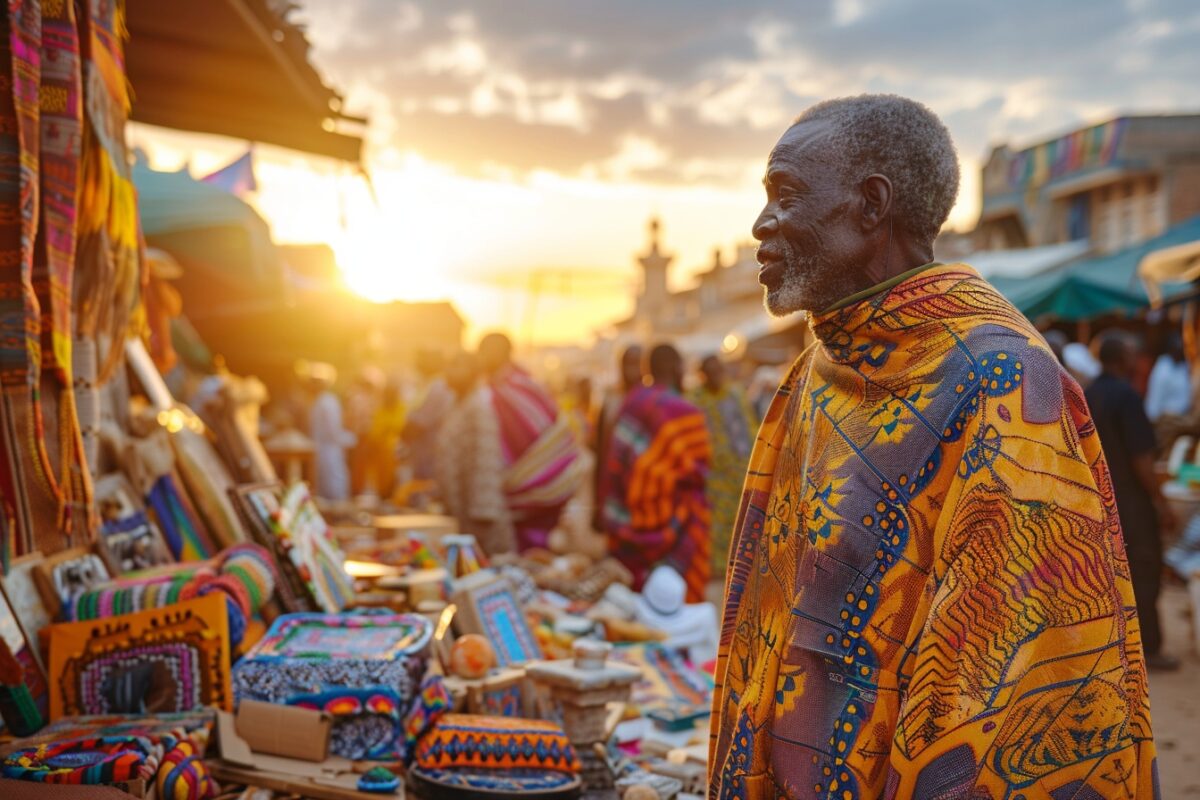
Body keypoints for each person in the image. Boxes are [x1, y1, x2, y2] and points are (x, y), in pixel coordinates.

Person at [709, 95, 1156, 798]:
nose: (762, 224)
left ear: (871, 205)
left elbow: (1004, 686)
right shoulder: (817, 371)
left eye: (786, 197)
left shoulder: (1000, 382)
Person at [1085, 332, 1180, 672]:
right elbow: (1142, 457)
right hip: (1131, 501)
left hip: (1099, 498)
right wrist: (1160, 501)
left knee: (1109, 574)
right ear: (1122, 359)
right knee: (1144, 571)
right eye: (1131, 351)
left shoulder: (1088, 392)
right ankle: (1148, 650)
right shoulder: (1126, 395)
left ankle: (1119, 648)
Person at [600, 344, 712, 603]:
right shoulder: (686, 412)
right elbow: (699, 475)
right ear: (677, 368)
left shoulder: (631, 404)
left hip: (630, 519)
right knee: (675, 600)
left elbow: (615, 466)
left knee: (633, 601)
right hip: (678, 522)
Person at [478, 333, 586, 551]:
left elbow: (551, 430)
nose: (481, 357)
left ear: (502, 353)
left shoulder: (517, 385)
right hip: (522, 481)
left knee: (536, 548)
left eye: (485, 351)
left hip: (545, 480)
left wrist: (535, 472)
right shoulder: (494, 388)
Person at [434, 352, 515, 556]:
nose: (449, 373)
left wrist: (481, 518)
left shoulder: (479, 407)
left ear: (472, 373)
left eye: (456, 367)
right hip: (462, 513)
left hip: (480, 520)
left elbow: (486, 462)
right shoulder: (457, 405)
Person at [687, 354, 757, 577]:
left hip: (741, 472)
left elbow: (750, 426)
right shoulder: (694, 400)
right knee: (717, 530)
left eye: (719, 369)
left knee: (745, 523)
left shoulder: (736, 393)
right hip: (714, 480)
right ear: (702, 375)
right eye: (710, 371)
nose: (716, 375)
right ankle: (720, 575)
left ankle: (743, 569)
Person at [592, 345, 643, 528]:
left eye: (637, 363)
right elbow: (599, 448)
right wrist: (596, 505)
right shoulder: (611, 399)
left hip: (642, 487)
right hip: (613, 482)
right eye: (628, 363)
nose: (633, 369)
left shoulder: (651, 401)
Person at [306, 363, 354, 502]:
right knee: (324, 488)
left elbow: (334, 432)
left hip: (330, 451)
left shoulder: (328, 401)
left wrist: (351, 439)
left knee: (334, 486)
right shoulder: (319, 401)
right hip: (323, 451)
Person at [1145, 333, 1192, 421]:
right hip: (1166, 420)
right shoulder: (1163, 369)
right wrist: (1152, 418)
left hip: (1184, 419)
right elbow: (1156, 396)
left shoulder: (1185, 365)